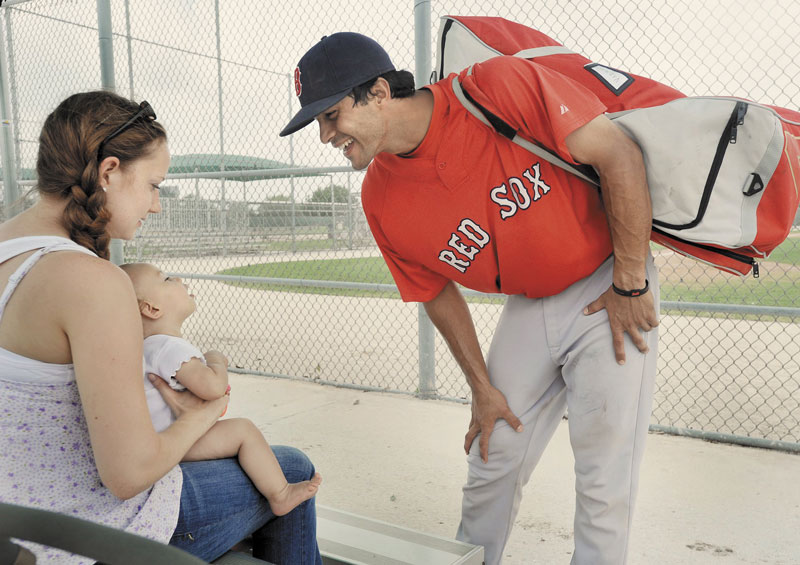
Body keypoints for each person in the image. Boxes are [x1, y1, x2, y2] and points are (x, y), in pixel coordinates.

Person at [280, 33, 660, 565]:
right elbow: (434, 290)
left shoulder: (495, 90)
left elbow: (619, 153)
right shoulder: (380, 198)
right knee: (493, 452)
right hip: (531, 305)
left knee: (604, 474)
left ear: (380, 92)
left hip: (608, 284)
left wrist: (631, 281)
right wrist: (481, 387)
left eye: (331, 115)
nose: (325, 136)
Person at [0, 90, 322, 564]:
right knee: (292, 468)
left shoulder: (11, 246)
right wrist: (197, 417)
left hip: (19, 519)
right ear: (109, 172)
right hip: (85, 536)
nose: (155, 205)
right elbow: (128, 474)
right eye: (153, 185)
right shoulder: (89, 280)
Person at [120, 261, 323, 516]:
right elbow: (214, 388)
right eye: (168, 279)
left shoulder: (148, 347)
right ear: (151, 308)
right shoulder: (167, 347)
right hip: (175, 442)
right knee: (243, 431)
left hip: (161, 443)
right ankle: (279, 493)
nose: (180, 279)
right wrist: (216, 360)